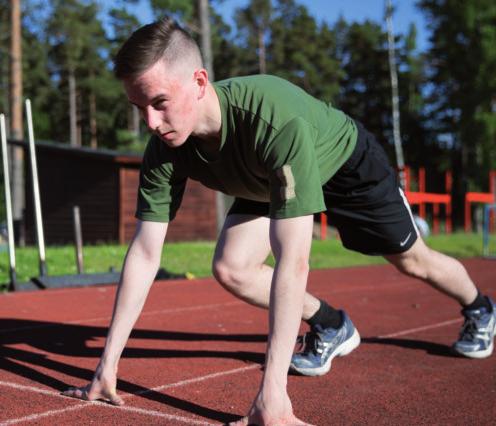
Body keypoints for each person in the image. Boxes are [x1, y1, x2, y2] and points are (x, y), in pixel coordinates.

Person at [63, 18, 496, 426]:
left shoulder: (272, 120)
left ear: (199, 83)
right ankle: (330, 323)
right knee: (232, 267)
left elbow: (294, 261)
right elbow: (144, 252)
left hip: (344, 164)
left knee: (410, 260)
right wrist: (107, 365)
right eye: (139, 108)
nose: (151, 123)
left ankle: (480, 307)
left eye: (159, 103)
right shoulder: (164, 148)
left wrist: (274, 396)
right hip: (267, 179)